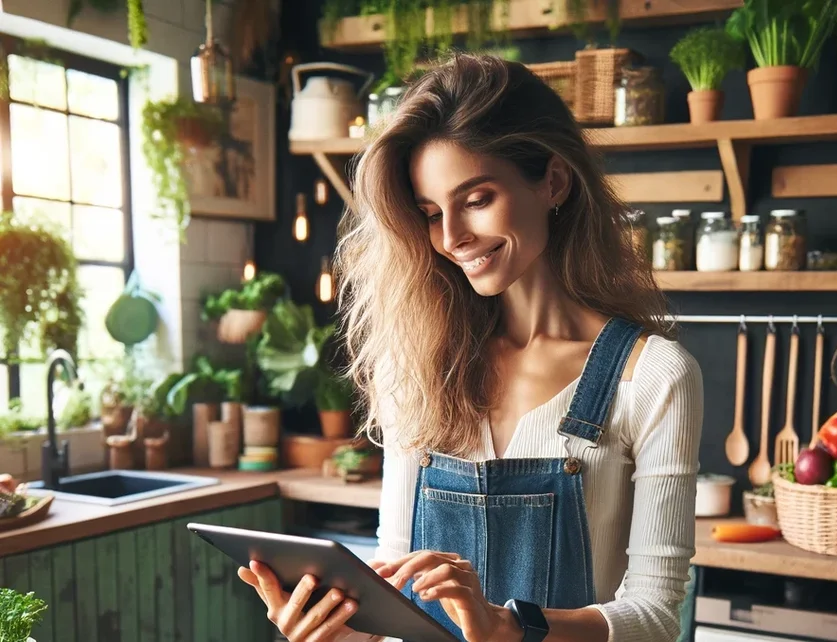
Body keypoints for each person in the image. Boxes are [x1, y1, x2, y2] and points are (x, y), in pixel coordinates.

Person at [238, 52, 704, 642]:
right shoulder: (417, 367)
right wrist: (335, 629)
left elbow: (657, 619)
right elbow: (398, 593)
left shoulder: (654, 375)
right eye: (432, 213)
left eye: (477, 199)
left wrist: (510, 627)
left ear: (553, 182)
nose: (453, 238)